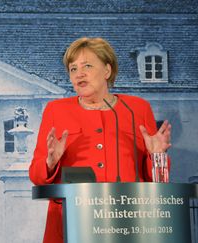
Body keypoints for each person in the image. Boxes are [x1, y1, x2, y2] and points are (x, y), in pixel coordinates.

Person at [29, 37, 172, 243]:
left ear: (107, 70)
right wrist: (50, 162)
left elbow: (159, 182)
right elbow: (37, 176)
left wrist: (157, 155)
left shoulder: (137, 108)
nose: (79, 73)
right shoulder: (56, 110)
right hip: (70, 224)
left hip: (127, 221)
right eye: (73, 69)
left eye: (87, 65)